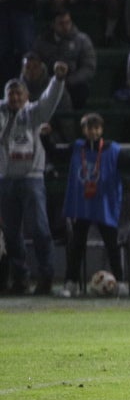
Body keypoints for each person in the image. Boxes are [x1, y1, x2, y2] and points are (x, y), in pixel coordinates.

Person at [59, 111, 130, 294]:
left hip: (104, 206)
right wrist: (45, 138)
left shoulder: (113, 150)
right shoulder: (77, 148)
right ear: (83, 130)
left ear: (101, 129)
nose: (92, 132)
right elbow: (56, 156)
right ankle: (70, 283)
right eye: (89, 128)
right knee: (76, 245)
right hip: (82, 206)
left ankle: (120, 282)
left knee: (112, 245)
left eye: (96, 128)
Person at [1, 62, 67, 294]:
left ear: (27, 95)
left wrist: (57, 80)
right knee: (10, 233)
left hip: (32, 178)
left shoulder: (33, 113)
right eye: (11, 93)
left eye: (19, 92)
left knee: (39, 229)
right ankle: (20, 278)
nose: (15, 97)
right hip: (5, 179)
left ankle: (46, 277)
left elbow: (48, 100)